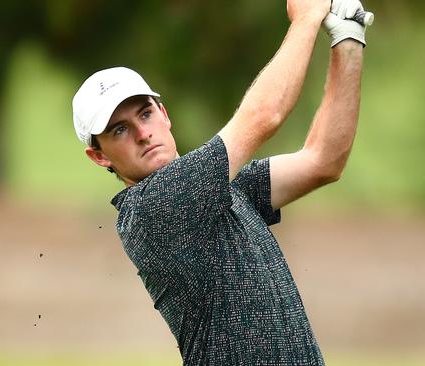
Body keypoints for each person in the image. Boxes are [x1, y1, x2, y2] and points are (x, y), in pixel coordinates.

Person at [72, 0, 368, 364]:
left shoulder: (223, 187)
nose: (143, 133)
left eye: (145, 113)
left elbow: (324, 160)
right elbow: (264, 115)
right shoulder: (154, 207)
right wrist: (307, 17)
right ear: (99, 156)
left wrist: (348, 37)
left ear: (164, 114)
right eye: (120, 130)